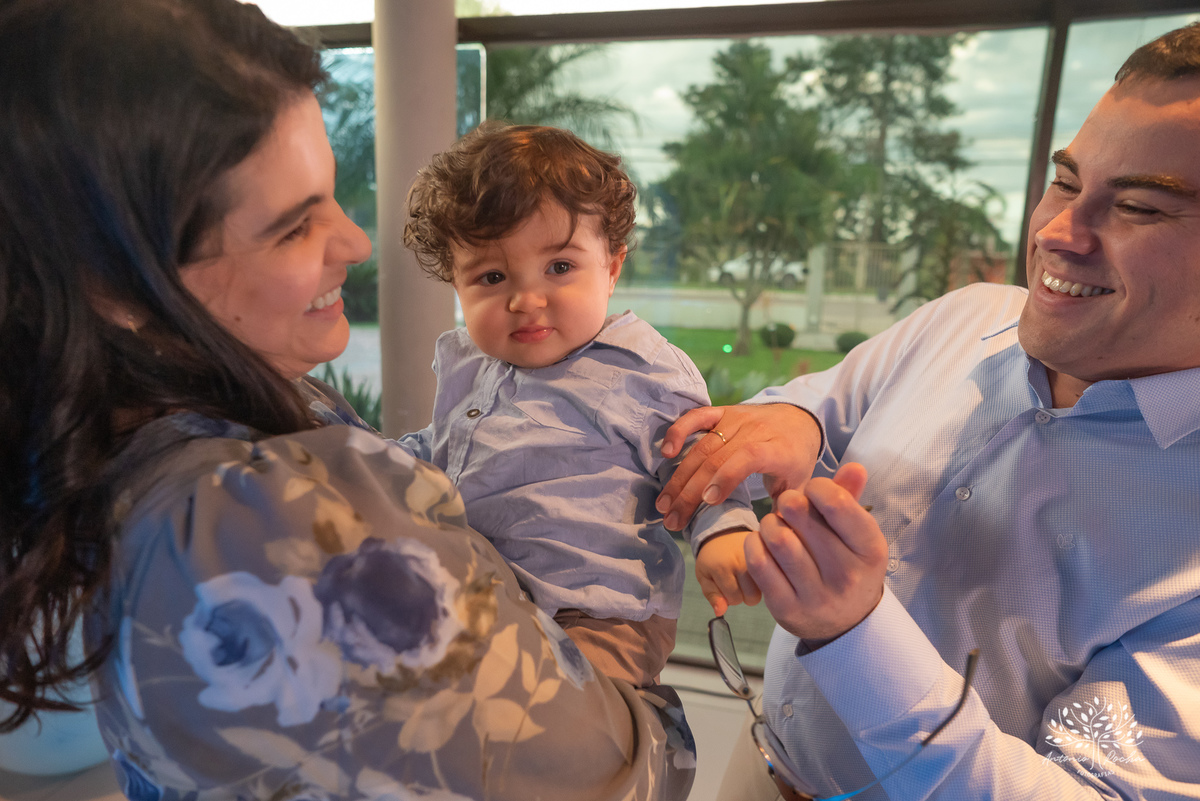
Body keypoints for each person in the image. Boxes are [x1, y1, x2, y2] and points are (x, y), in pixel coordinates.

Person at [0, 2, 695, 799]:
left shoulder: (220, 394)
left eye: (329, 194)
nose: (357, 244)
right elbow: (606, 777)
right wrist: (654, 719)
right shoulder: (244, 525)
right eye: (293, 228)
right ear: (110, 283)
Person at [656, 23, 1200, 801]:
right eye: (1068, 182)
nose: (1054, 233)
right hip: (761, 766)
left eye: (1140, 207)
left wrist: (853, 632)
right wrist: (793, 424)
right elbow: (808, 408)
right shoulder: (965, 316)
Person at [400, 122, 760, 687]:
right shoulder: (471, 364)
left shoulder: (640, 371)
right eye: (492, 277)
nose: (525, 299)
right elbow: (438, 447)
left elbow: (701, 467)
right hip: (482, 600)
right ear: (456, 284)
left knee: (555, 729)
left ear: (612, 267)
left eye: (559, 267)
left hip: (597, 613)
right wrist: (375, 459)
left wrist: (725, 536)